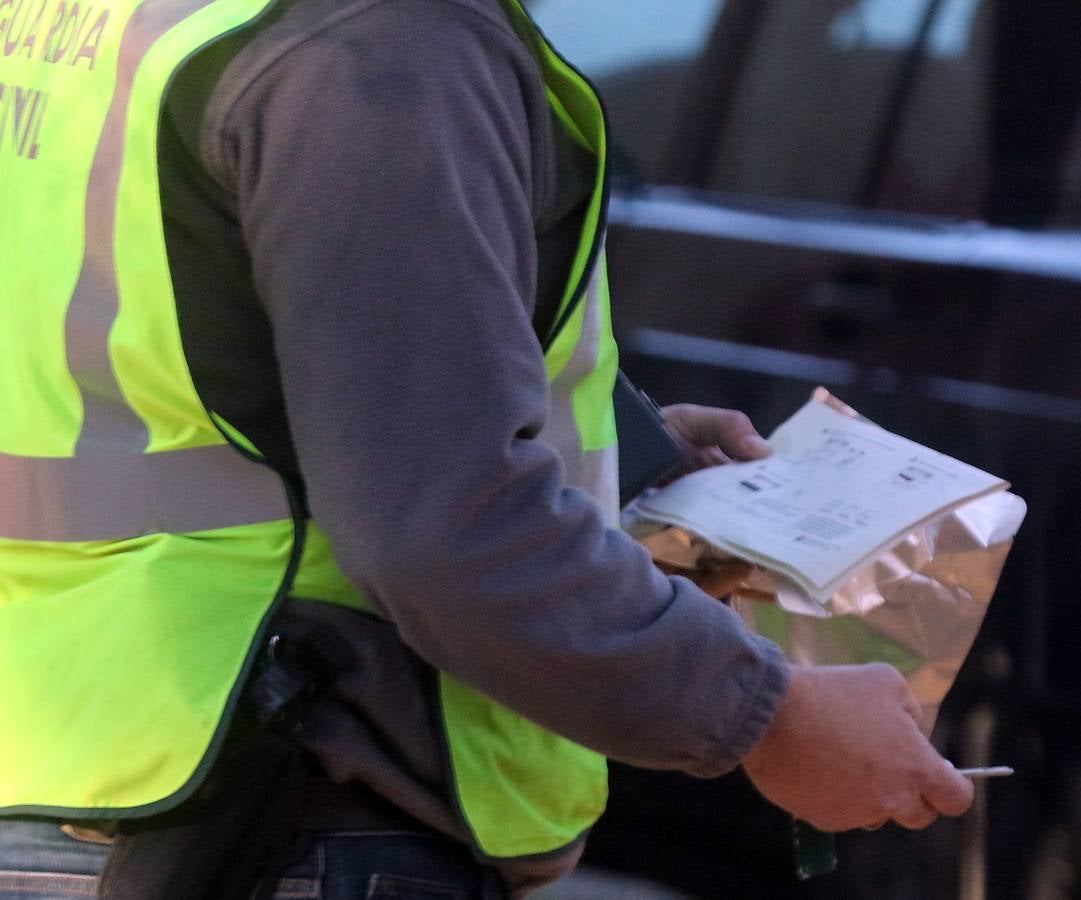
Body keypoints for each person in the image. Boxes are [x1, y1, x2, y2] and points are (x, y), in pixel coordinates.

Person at [0, 0, 973, 896]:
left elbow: (167, 356)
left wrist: (619, 457)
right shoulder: (388, 40)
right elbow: (439, 526)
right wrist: (767, 715)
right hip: (275, 799)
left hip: (81, 769)